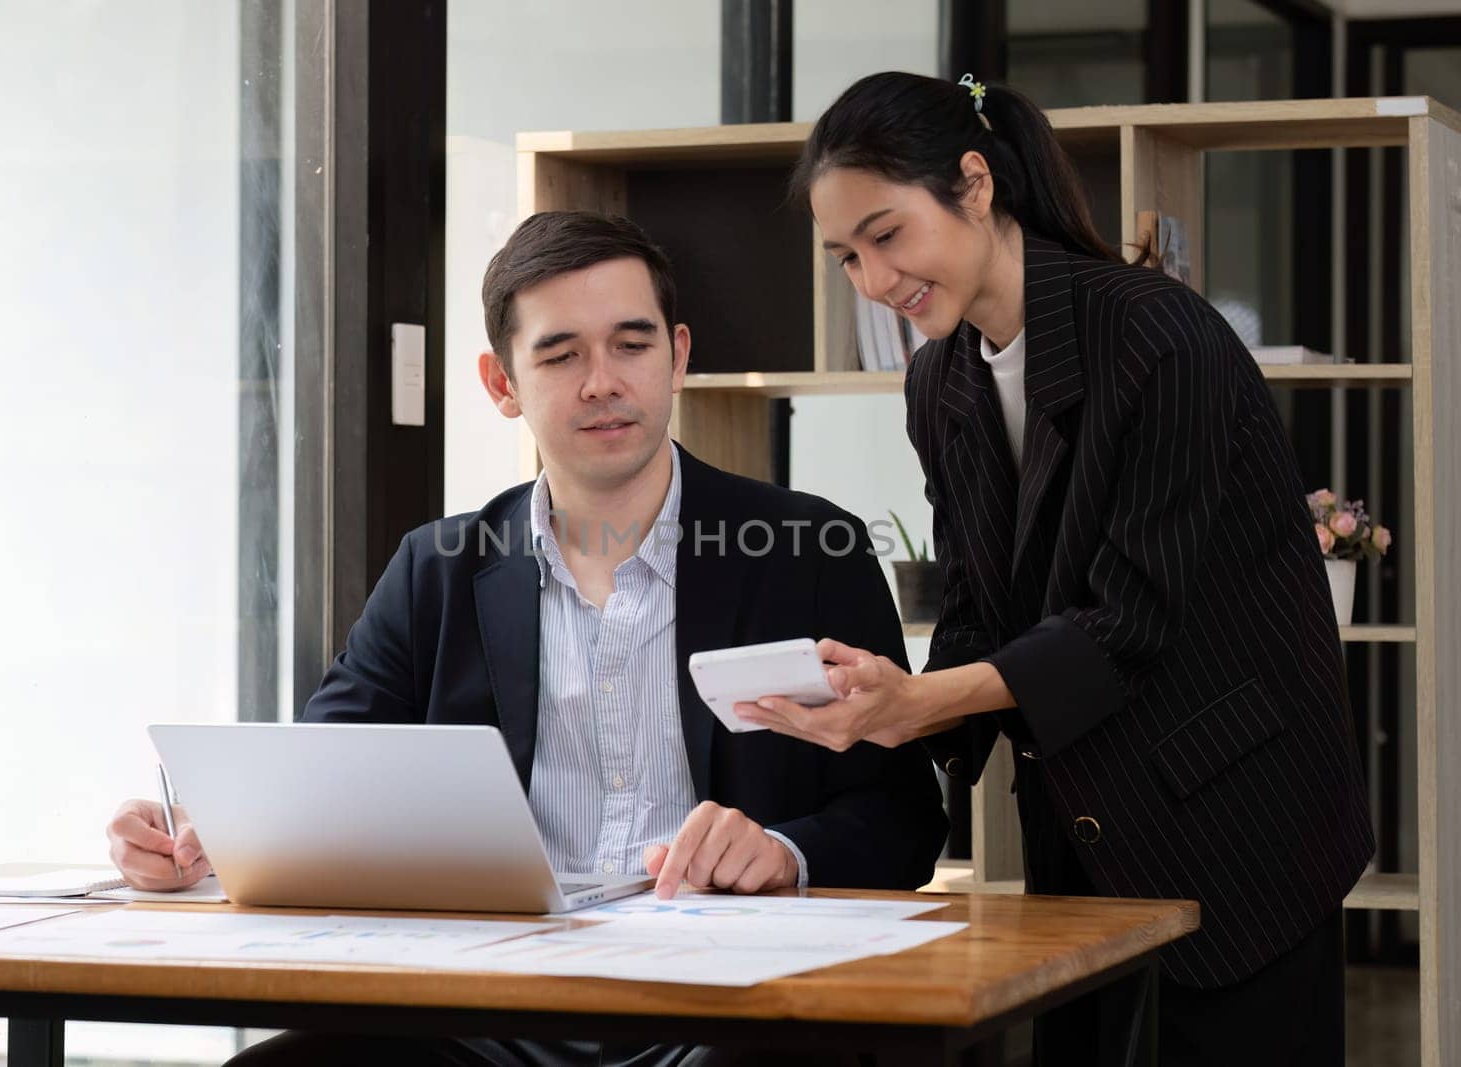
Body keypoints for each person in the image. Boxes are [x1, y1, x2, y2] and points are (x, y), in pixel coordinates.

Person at [105, 210, 947, 1066]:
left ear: (679, 355)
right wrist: (198, 840)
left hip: (725, 1003)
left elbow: (907, 815)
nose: (602, 382)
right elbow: (315, 784)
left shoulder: (808, 551)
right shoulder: (435, 568)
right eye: (560, 354)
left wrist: (783, 852)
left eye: (631, 345)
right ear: (501, 382)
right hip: (486, 1009)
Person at [737, 71, 1374, 1067]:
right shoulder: (937, 379)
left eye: (886, 234)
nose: (870, 278)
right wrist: (885, 701)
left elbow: (1130, 616)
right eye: (844, 256)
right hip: (1086, 826)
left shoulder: (1158, 337)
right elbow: (980, 601)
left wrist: (924, 700)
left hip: (1244, 821)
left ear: (975, 184)